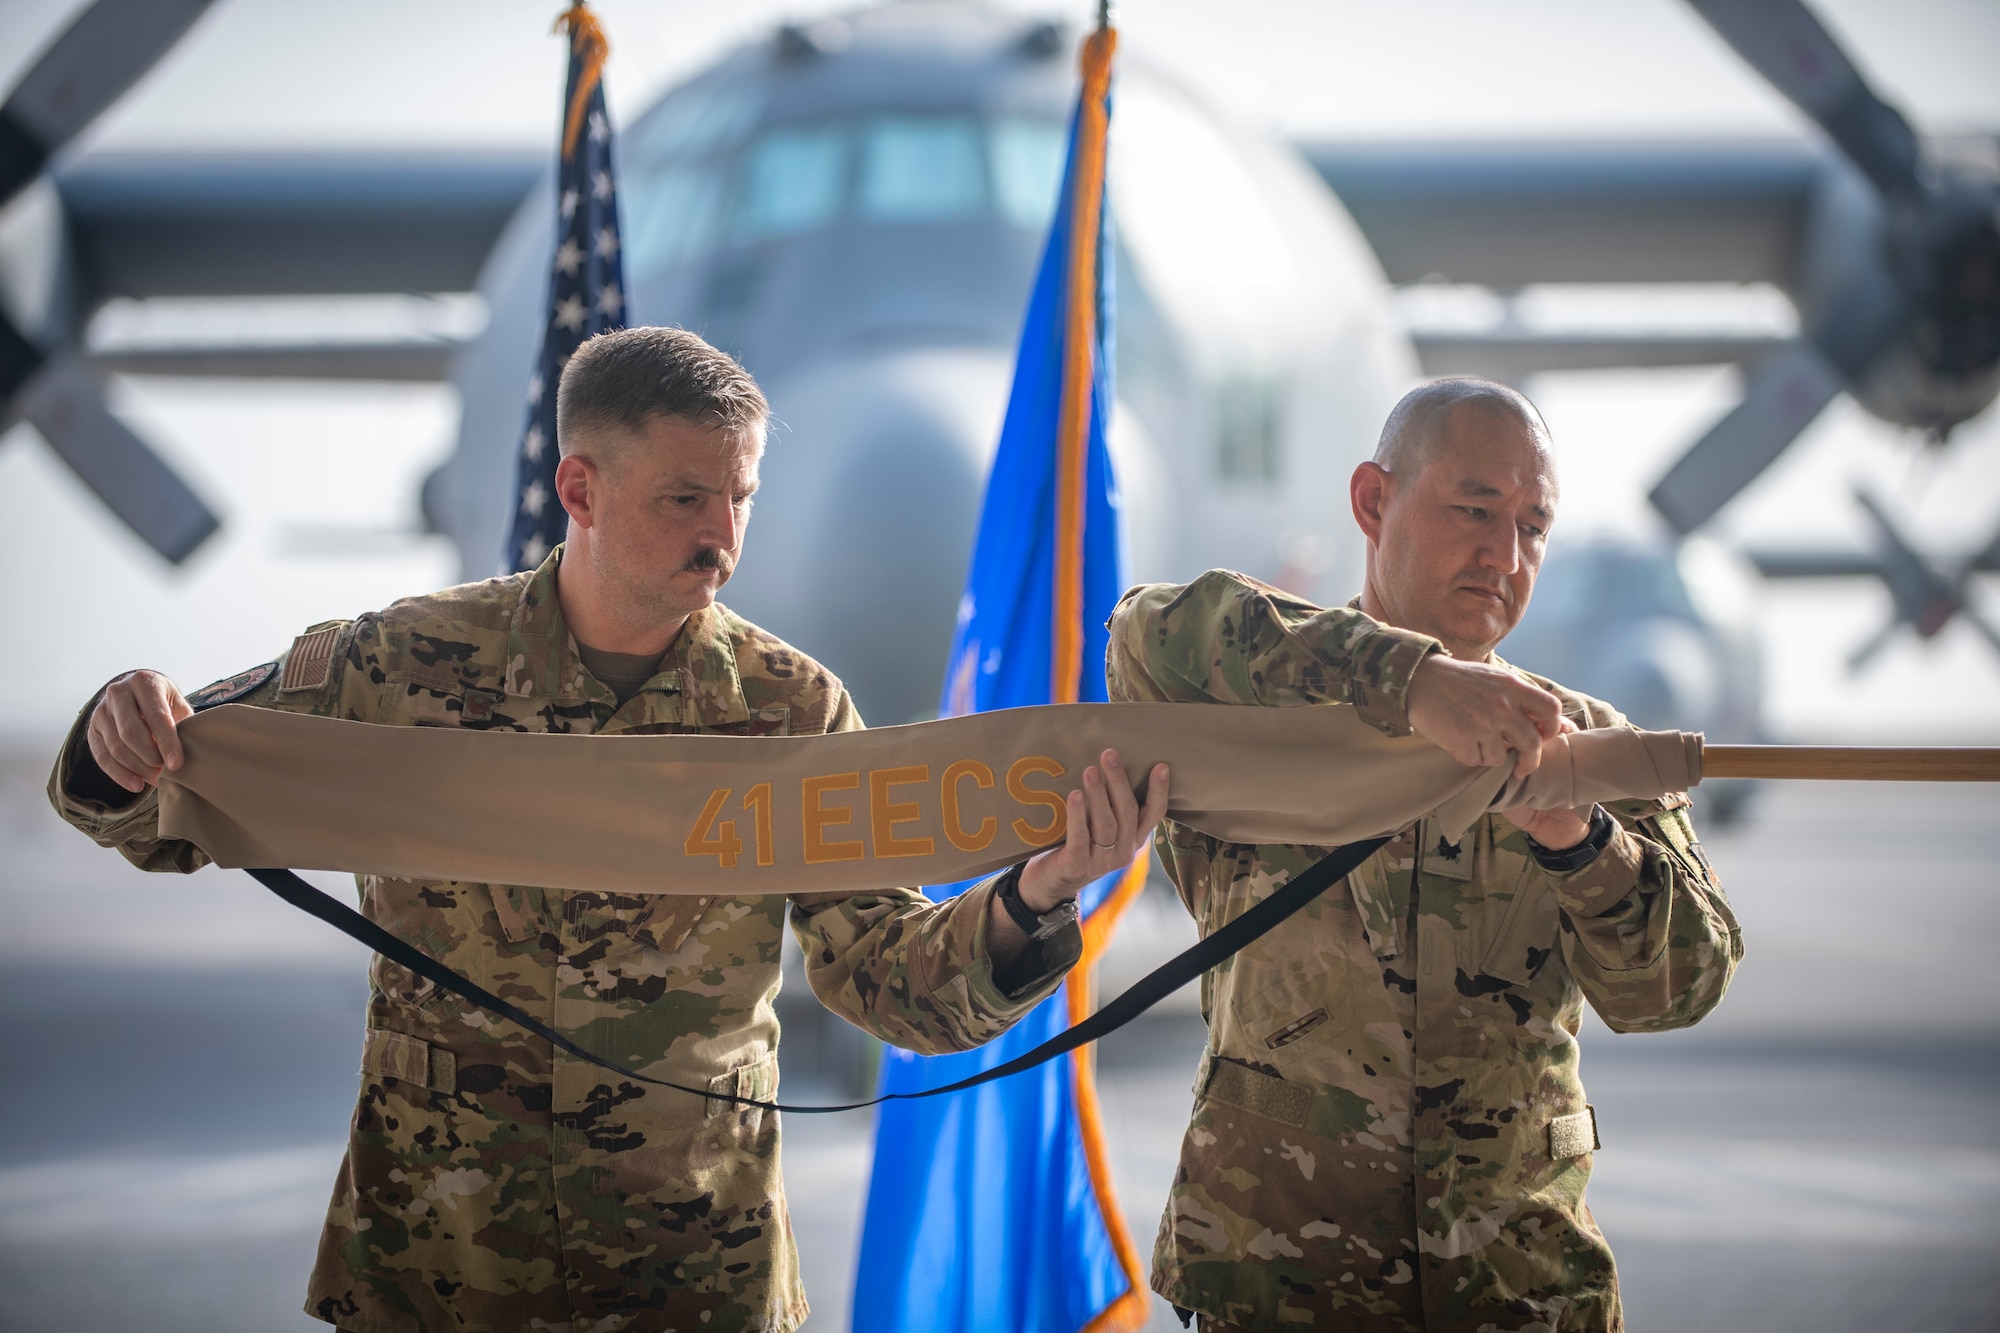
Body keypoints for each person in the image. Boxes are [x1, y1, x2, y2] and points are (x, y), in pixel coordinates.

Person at [48, 326, 1169, 1333]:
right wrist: (117, 733)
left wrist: (1036, 893)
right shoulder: (397, 667)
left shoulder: (788, 710)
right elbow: (161, 809)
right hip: (446, 1261)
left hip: (690, 1269)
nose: (721, 534)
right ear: (578, 489)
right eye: (684, 498)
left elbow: (886, 978)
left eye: (740, 497)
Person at [1107, 378, 1742, 1332]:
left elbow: (1679, 987)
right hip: (1284, 1284)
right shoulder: (1260, 707)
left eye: (1533, 526)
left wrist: (1577, 835)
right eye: (1476, 509)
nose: (1505, 553)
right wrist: (1404, 680)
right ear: (1373, 501)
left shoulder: (1586, 747)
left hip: (1517, 1288)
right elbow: (1144, 631)